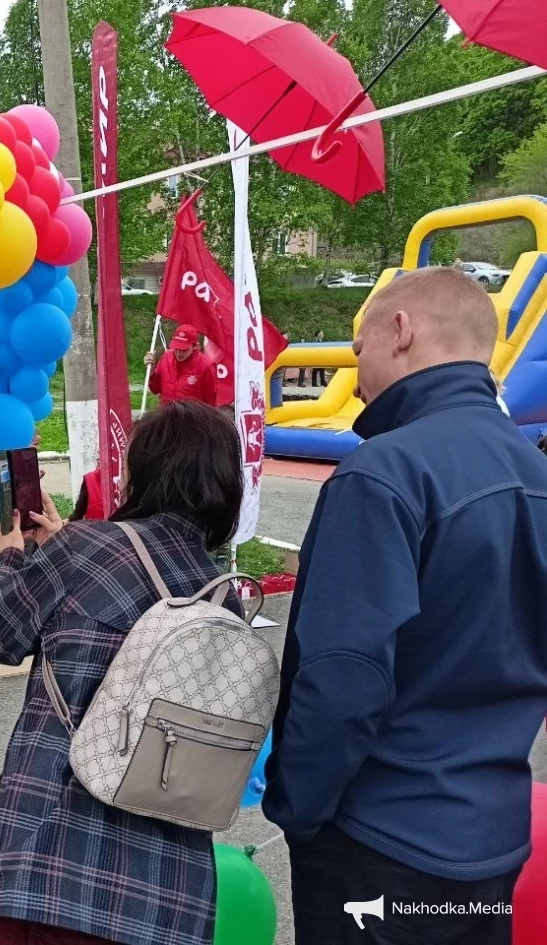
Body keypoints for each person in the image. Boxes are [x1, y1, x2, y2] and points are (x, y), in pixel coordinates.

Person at [264, 268, 547, 945]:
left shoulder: (383, 472)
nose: (357, 374)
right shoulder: (535, 473)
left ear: (401, 330)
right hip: (493, 837)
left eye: (359, 347)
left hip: (379, 841)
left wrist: (297, 806)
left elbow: (345, 676)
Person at [0, 401, 244, 945]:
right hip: (168, 890)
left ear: (144, 474)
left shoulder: (82, 548)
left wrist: (12, 555)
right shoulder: (222, 597)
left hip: (57, 865)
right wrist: (60, 546)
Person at [143, 323, 217, 406]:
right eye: (176, 348)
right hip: (166, 412)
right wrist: (151, 371)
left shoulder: (206, 366)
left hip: (192, 414)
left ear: (194, 346)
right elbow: (155, 389)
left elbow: (211, 402)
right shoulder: (166, 357)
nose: (179, 353)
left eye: (184, 350)